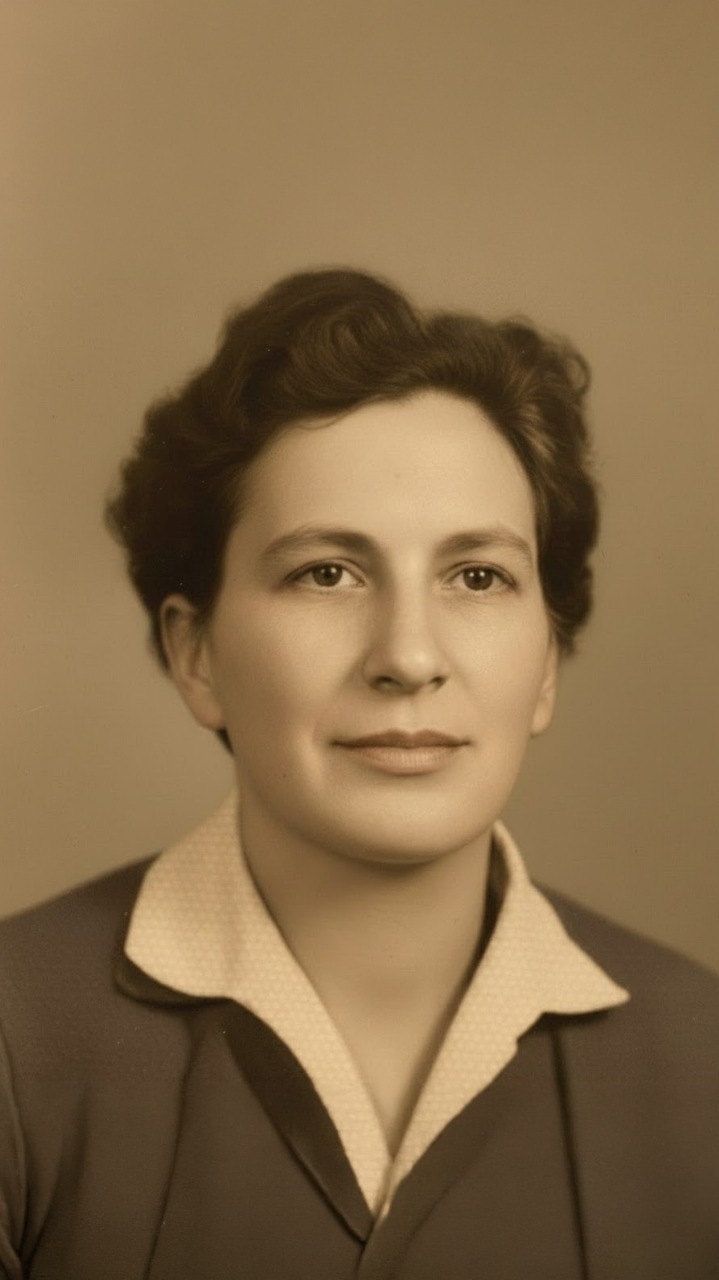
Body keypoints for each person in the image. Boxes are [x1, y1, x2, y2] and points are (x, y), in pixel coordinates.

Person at [0, 269, 717, 1280]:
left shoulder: (701, 1057)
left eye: (477, 576)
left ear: (547, 662)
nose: (408, 657)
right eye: (325, 573)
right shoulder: (15, 1036)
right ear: (195, 654)